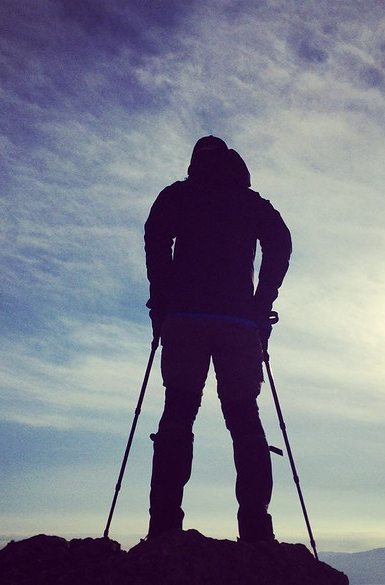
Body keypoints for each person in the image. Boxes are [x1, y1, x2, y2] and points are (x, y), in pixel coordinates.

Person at [144, 135, 292, 543]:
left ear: (195, 162)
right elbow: (280, 242)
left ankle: (164, 528)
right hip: (239, 323)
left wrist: (162, 301)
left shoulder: (178, 196)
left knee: (178, 412)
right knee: (244, 416)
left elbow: (155, 239)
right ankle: (257, 531)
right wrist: (262, 303)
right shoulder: (250, 202)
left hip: (184, 319)